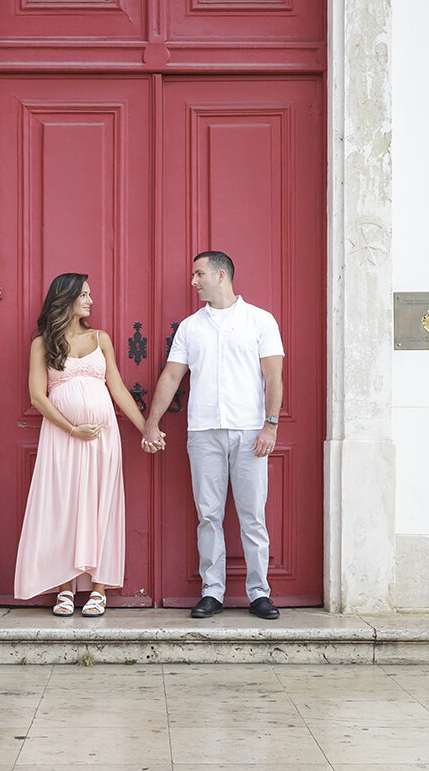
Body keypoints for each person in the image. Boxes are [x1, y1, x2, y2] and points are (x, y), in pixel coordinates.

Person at [140, 250, 285, 620]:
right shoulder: (191, 327)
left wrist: (271, 424)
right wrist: (151, 422)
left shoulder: (260, 321)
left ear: (221, 276)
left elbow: (273, 376)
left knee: (253, 515)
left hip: (250, 430)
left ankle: (259, 593)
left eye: (198, 274)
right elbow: (172, 376)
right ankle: (212, 591)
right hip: (203, 431)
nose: (193, 281)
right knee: (209, 514)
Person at [14, 272, 147, 615]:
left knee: (100, 506)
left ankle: (98, 589)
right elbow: (38, 397)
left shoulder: (101, 338)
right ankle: (65, 588)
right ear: (67, 299)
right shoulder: (43, 343)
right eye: (84, 295)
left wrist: (146, 428)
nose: (90, 301)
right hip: (62, 438)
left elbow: (117, 389)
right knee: (64, 508)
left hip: (103, 439)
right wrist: (72, 429)